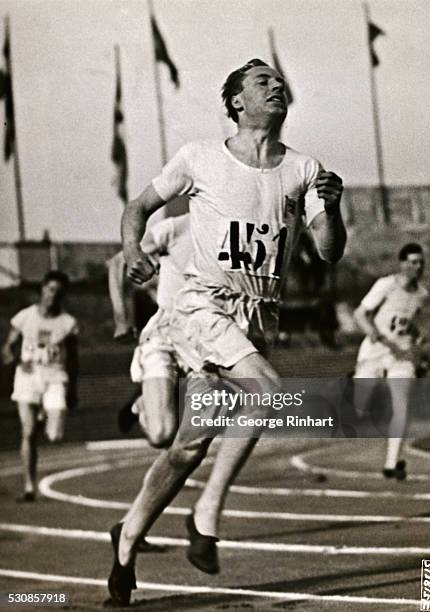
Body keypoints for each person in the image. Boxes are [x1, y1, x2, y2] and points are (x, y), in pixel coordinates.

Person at [107, 58, 346, 606]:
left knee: (188, 447)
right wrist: (130, 252)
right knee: (269, 394)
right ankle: (207, 513)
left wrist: (331, 210)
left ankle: (126, 541)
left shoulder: (304, 169)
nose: (278, 85)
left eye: (280, 81)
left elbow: (330, 252)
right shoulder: (199, 157)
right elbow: (138, 207)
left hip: (261, 317)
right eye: (263, 82)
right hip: (203, 306)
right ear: (237, 102)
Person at [1, 270, 78, 502]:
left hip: (55, 377)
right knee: (28, 432)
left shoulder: (68, 323)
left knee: (54, 435)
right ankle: (29, 486)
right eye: (50, 289)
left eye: (59, 292)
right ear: (43, 289)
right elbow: (8, 347)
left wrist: (72, 388)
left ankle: (46, 411)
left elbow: (74, 357)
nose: (53, 296)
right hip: (28, 377)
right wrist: (13, 358)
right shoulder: (25, 317)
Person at [353, 242, 428, 480]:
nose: (418, 267)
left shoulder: (423, 295)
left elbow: (414, 323)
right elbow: (360, 313)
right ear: (403, 264)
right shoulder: (386, 285)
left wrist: (419, 337)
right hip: (376, 350)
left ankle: (391, 463)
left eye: (421, 262)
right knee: (360, 406)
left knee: (402, 409)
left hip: (402, 356)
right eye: (413, 262)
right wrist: (374, 332)